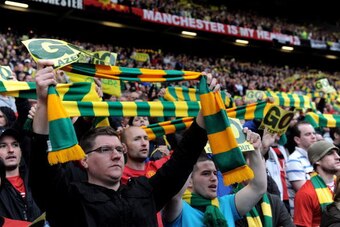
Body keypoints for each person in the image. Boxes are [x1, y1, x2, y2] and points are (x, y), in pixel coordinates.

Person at [29, 60, 217, 226]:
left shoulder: (144, 191)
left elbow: (184, 157)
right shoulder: (69, 198)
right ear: (84, 160)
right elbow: (41, 167)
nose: (117, 154)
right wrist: (44, 102)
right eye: (105, 149)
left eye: (119, 149)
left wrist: (206, 108)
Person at [162, 127, 267, 227]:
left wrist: (255, 149)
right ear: (189, 180)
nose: (213, 178)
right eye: (206, 173)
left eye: (215, 173)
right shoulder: (180, 210)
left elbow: (258, 188)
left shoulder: (226, 205)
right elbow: (175, 195)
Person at [294, 140, 340, 227]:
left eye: (337, 153)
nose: (337, 157)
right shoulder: (305, 194)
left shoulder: (338, 184)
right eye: (330, 153)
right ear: (317, 160)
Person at [0, 127, 41, 222]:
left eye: (15, 145)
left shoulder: (36, 180)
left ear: (21, 151)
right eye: (3, 146)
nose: (11, 150)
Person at [285, 121, 317, 216]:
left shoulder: (314, 158)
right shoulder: (294, 160)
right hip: (304, 217)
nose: (313, 136)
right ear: (297, 140)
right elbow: (305, 193)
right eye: (308, 134)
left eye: (314, 133)